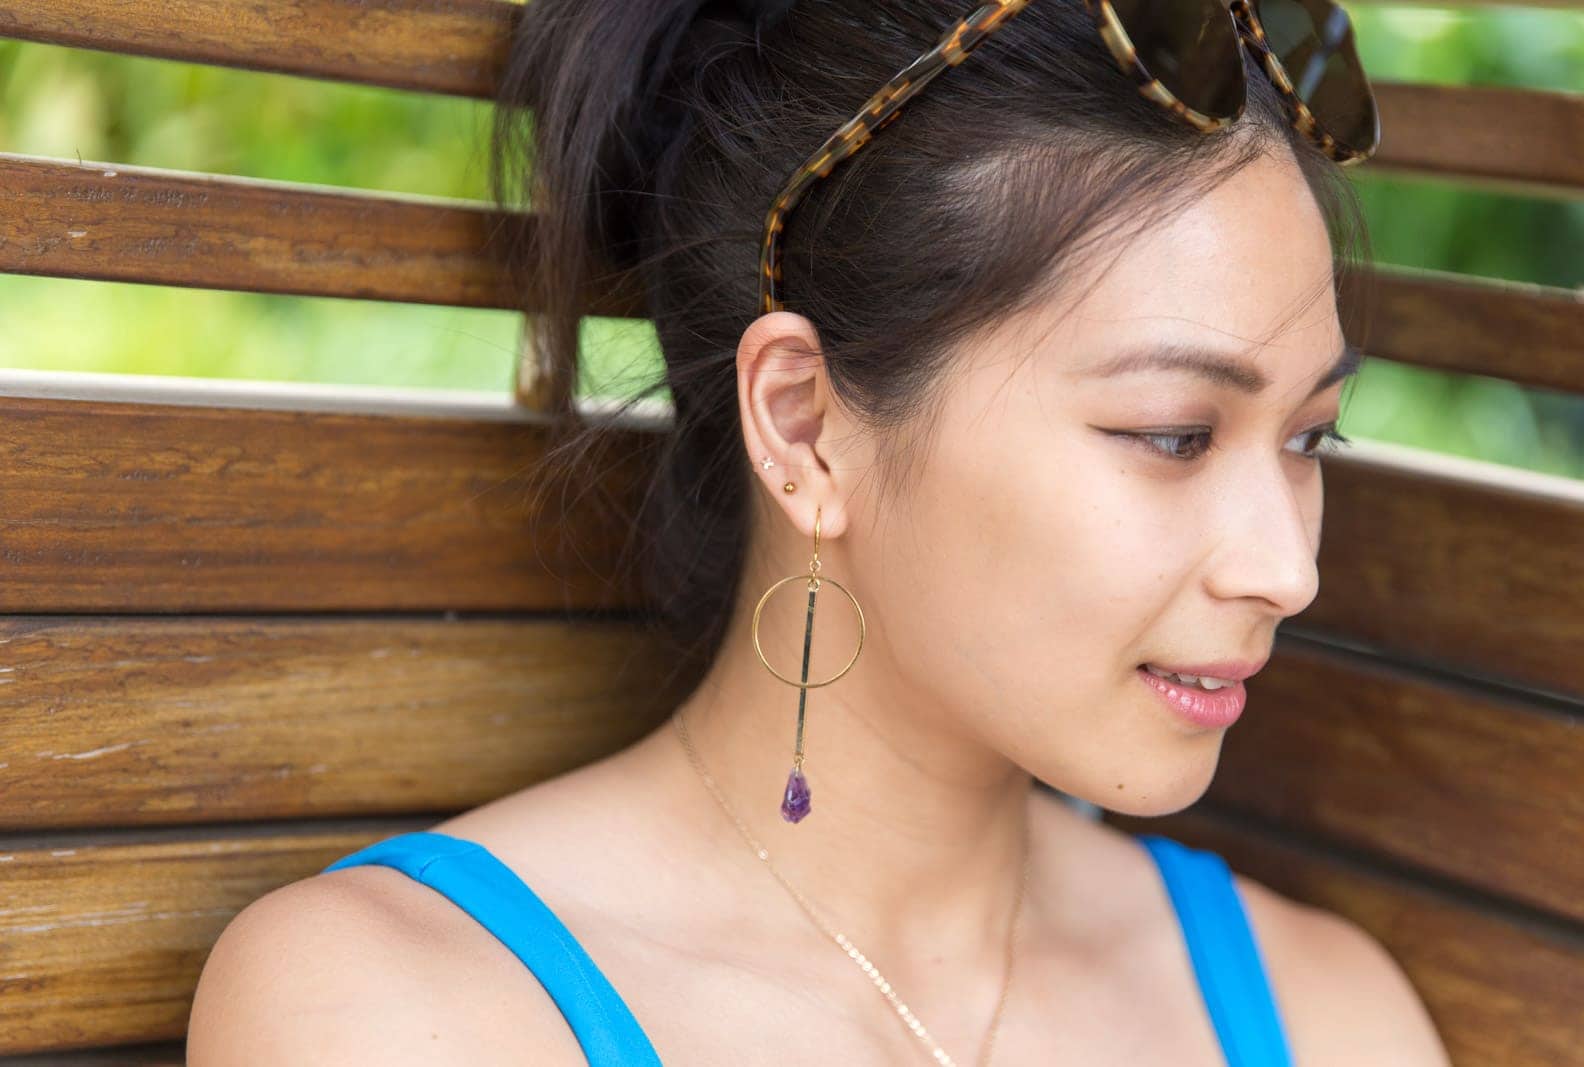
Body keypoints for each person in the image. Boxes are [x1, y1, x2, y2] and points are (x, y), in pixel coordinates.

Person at [187, 1, 1451, 1063]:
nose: (1286, 568)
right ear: (801, 425)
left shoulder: (1329, 1019)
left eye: (1307, 438)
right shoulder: (405, 1011)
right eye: (1175, 435)